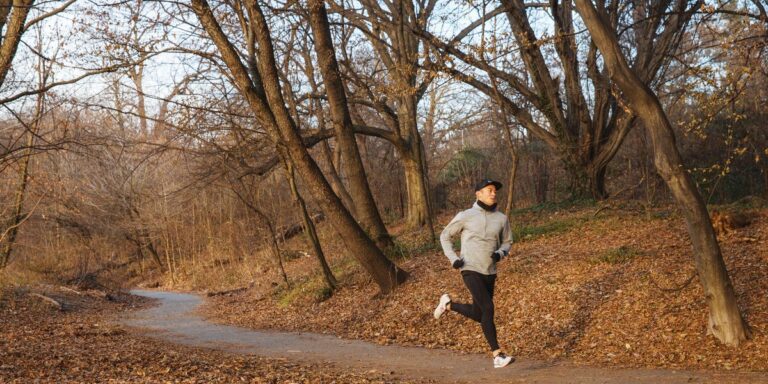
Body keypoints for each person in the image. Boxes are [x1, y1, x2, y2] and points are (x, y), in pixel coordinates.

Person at [433, 178, 514, 369]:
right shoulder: (466, 215)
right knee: (488, 308)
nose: (493, 193)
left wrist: (501, 253)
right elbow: (445, 236)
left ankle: (448, 305)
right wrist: (454, 259)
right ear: (478, 193)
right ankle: (497, 355)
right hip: (469, 268)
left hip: (490, 271)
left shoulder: (502, 219)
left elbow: (508, 241)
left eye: (495, 190)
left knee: (480, 314)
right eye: (489, 190)